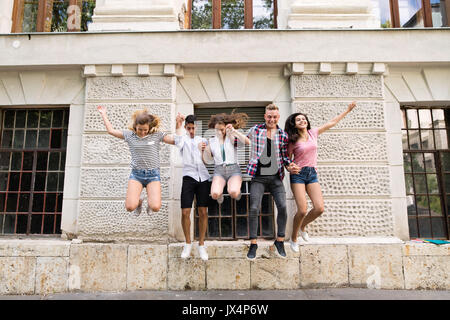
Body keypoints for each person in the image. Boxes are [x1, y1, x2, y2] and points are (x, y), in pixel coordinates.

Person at [284, 101, 357, 252]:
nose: (302, 121)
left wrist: (347, 110)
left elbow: (332, 122)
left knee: (319, 208)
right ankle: (294, 237)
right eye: (298, 119)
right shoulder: (292, 140)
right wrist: (289, 167)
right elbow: (287, 160)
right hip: (298, 175)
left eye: (304, 119)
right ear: (294, 124)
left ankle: (303, 226)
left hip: (312, 174)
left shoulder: (313, 133)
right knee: (302, 210)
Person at [97, 106, 178, 216]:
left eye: (145, 130)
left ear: (149, 128)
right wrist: (103, 114)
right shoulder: (130, 136)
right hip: (136, 174)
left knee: (155, 207)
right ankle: (139, 202)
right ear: (135, 127)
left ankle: (150, 202)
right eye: (140, 129)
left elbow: (175, 140)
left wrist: (179, 125)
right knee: (130, 207)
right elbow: (111, 131)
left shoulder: (156, 135)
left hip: (153, 174)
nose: (143, 132)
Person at [246, 104, 300, 261]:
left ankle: (280, 241)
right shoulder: (256, 130)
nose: (272, 119)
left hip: (276, 177)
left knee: (283, 207)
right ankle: (253, 243)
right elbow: (239, 142)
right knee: (254, 207)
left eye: (275, 117)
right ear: (265, 116)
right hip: (258, 177)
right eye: (269, 116)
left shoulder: (283, 135)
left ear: (278, 117)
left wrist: (290, 165)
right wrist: (229, 133)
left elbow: (284, 156)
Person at [174, 114, 210, 261]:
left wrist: (204, 150)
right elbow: (177, 140)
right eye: (188, 128)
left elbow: (210, 159)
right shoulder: (183, 139)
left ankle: (201, 244)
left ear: (198, 127)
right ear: (185, 127)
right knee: (185, 212)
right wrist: (178, 124)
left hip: (204, 178)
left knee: (203, 211)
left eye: (193, 128)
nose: (191, 131)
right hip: (188, 177)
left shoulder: (204, 140)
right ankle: (188, 243)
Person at [200, 112, 250, 204]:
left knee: (233, 192)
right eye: (217, 130)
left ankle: (237, 193)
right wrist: (203, 151)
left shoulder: (231, 137)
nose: (219, 132)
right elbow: (207, 161)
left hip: (234, 170)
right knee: (214, 194)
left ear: (226, 127)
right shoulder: (211, 141)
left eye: (221, 130)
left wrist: (234, 131)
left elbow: (247, 142)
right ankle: (220, 194)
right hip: (219, 171)